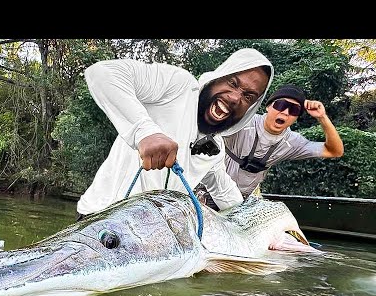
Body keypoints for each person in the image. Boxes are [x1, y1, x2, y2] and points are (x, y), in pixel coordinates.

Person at [76, 48, 274, 220]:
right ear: (216, 78)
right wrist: (144, 132)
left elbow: (224, 192)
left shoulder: (216, 147)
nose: (234, 98)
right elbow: (103, 73)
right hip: (100, 224)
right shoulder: (178, 87)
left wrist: (259, 226)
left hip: (150, 240)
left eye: (248, 96)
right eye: (232, 83)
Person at [197, 84, 344, 209]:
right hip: (206, 193)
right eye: (281, 105)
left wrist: (322, 117)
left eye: (293, 110)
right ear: (268, 106)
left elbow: (334, 151)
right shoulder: (243, 122)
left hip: (240, 204)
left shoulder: (292, 142)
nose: (285, 112)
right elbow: (204, 124)